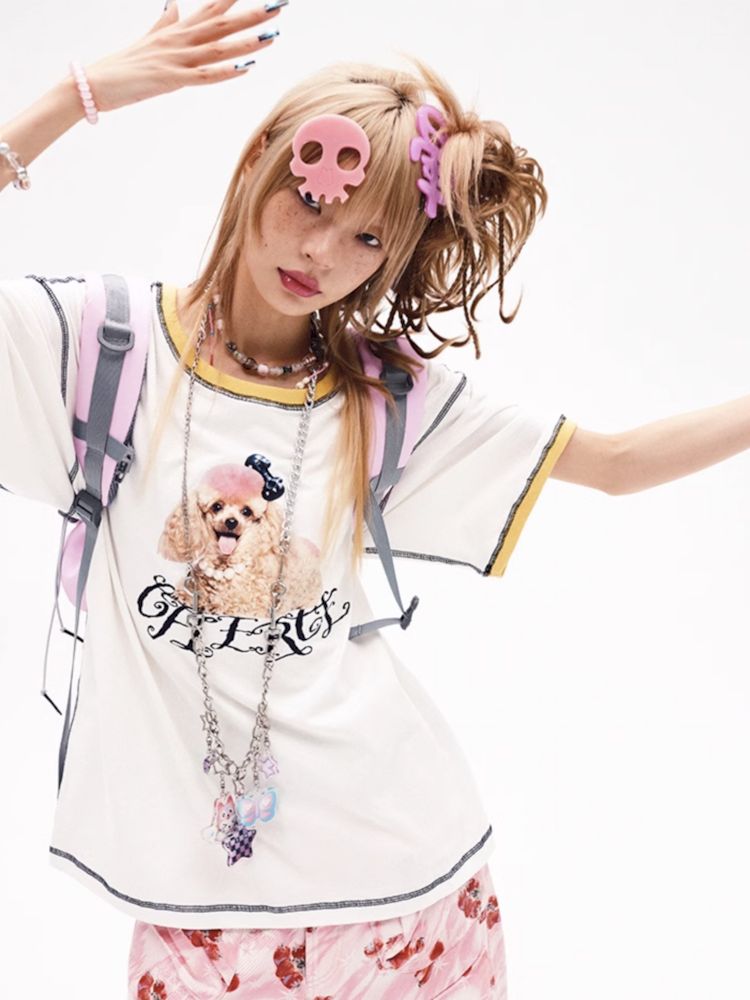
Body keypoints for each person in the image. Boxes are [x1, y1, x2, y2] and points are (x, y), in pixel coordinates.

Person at [3, 2, 747, 997]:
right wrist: (82, 94)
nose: (321, 252)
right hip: (197, 921)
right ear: (259, 161)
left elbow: (613, 462)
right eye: (310, 202)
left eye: (365, 238)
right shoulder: (106, 351)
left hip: (412, 899)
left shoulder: (380, 398)